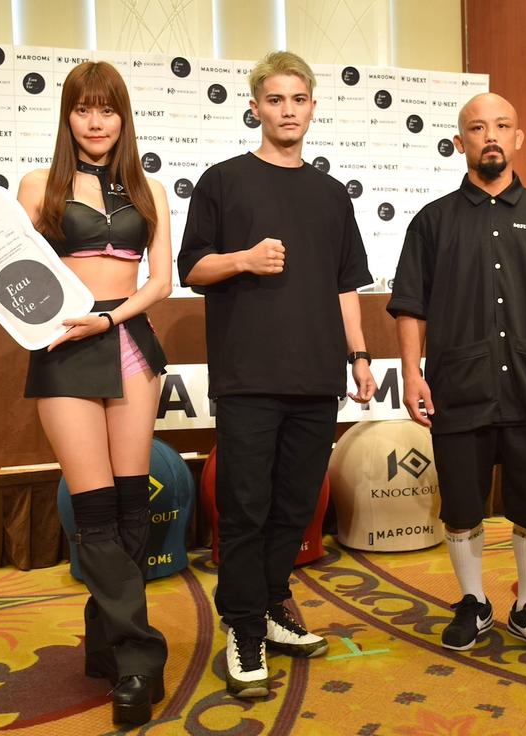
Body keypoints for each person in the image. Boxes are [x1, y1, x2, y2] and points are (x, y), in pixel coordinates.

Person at [0, 61, 172, 726]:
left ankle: (108, 643)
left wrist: (111, 320)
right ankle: (140, 656)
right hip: (63, 347)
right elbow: (2, 256)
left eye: (107, 109)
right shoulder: (41, 184)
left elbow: (161, 281)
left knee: (131, 509)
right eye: (83, 109)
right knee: (95, 512)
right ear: (67, 116)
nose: (96, 121)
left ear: (123, 116)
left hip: (129, 341)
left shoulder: (149, 188)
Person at [177, 50, 376, 699]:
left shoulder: (331, 195)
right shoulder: (222, 181)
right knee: (245, 508)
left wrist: (360, 356)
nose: (287, 110)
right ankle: (242, 629)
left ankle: (267, 606)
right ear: (255, 107)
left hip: (317, 375)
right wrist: (243, 259)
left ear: (312, 107)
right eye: (275, 99)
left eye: (298, 99)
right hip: (248, 376)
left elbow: (346, 285)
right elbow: (191, 269)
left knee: (295, 507)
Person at [388, 93, 526, 655]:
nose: (491, 136)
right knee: (461, 508)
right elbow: (410, 305)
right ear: (459, 142)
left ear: (518, 138)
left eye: (502, 125)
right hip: (459, 388)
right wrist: (412, 374)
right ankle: (473, 602)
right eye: (478, 127)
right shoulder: (432, 222)